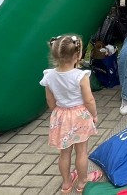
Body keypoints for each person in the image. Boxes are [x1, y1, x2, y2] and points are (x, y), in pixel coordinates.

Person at [40, 35, 101, 194]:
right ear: (77, 56)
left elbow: (49, 98)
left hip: (61, 116)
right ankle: (82, 181)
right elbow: (89, 99)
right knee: (81, 151)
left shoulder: (49, 75)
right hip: (79, 115)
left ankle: (66, 183)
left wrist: (56, 111)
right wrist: (94, 115)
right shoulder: (81, 76)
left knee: (64, 152)